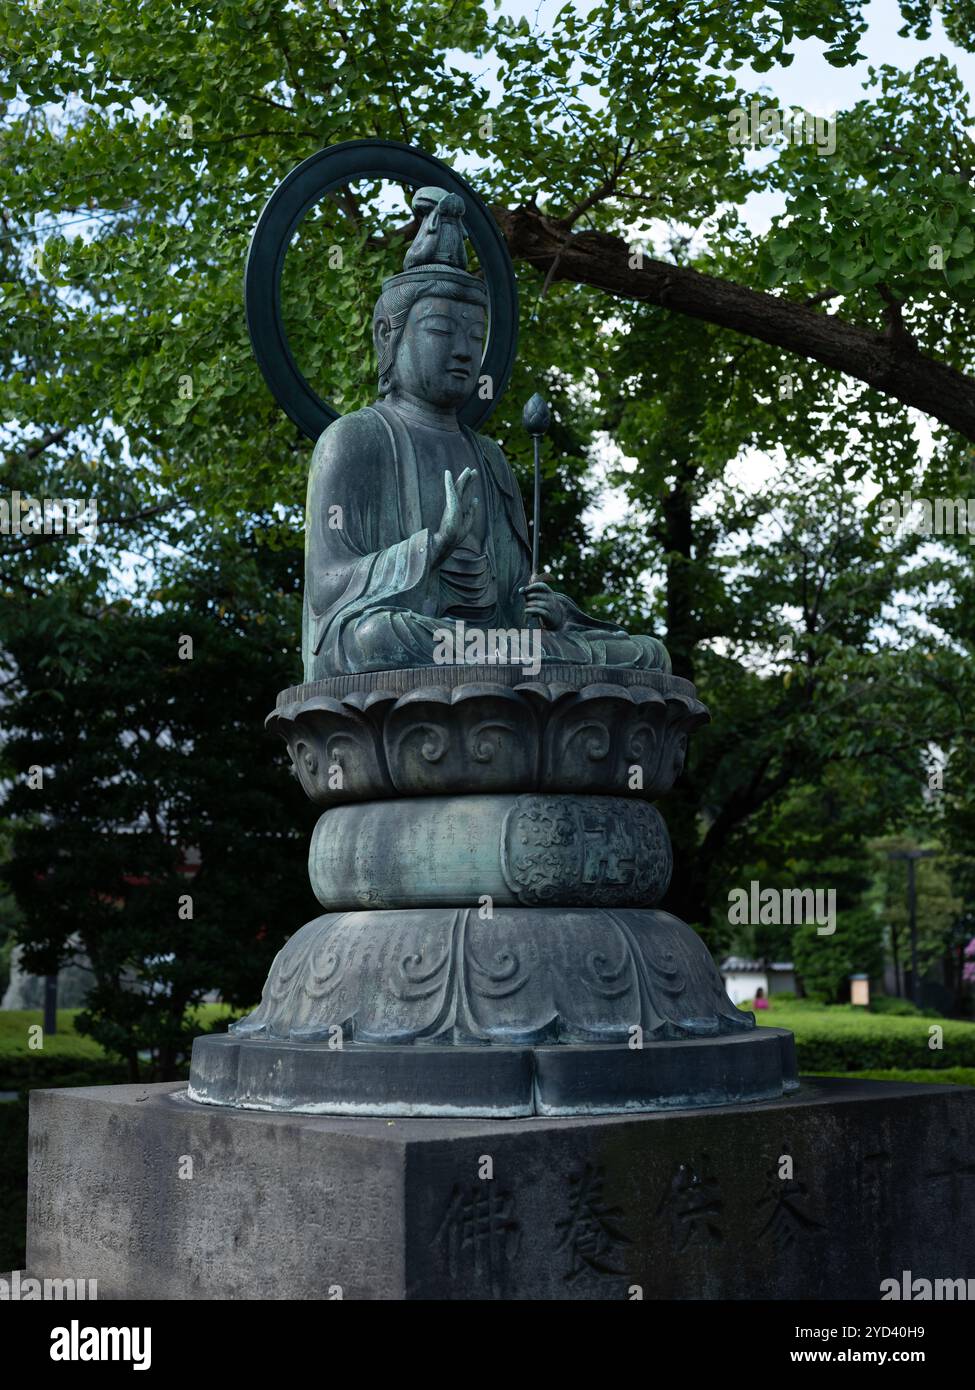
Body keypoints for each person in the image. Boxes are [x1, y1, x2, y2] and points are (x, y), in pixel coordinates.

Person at [302, 186, 672, 679]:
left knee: (648, 654)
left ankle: (522, 666)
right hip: (406, 638)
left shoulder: (489, 456)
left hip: (484, 645)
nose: (462, 351)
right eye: (440, 331)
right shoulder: (354, 440)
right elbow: (328, 587)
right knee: (375, 639)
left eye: (475, 336)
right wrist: (433, 546)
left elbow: (513, 595)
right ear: (388, 336)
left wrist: (548, 608)